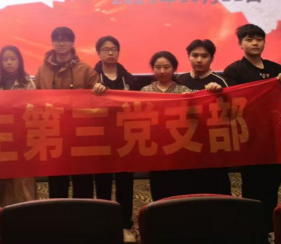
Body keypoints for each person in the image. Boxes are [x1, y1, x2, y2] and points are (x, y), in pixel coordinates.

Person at [223, 24, 281, 235]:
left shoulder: (277, 69)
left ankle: (271, 227)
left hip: (275, 137)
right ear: (240, 44)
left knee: (273, 182)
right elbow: (232, 102)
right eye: (249, 39)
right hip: (251, 138)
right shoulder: (233, 70)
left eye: (259, 39)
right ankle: (253, 229)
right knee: (252, 184)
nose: (255, 43)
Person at [35, 27, 98, 200]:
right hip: (53, 133)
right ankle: (58, 214)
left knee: (82, 180)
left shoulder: (85, 70)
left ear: (72, 43)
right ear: (52, 42)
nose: (61, 43)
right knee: (57, 181)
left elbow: (97, 101)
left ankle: (82, 213)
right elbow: (35, 100)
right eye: (57, 39)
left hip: (80, 135)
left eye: (65, 39)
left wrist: (100, 89)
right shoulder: (42, 71)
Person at [90, 36, 136, 242]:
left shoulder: (129, 79)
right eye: (105, 49)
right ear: (98, 53)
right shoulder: (91, 78)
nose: (110, 53)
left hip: (126, 136)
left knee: (125, 181)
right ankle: (105, 223)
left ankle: (126, 224)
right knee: (103, 182)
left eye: (114, 49)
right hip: (101, 137)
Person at [174, 39, 232, 197]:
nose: (199, 60)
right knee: (187, 187)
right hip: (186, 141)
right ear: (188, 57)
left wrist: (219, 94)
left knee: (215, 187)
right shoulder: (179, 79)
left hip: (211, 144)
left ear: (212, 58)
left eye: (204, 56)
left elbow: (230, 112)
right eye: (195, 55)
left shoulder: (220, 81)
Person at [141, 51, 191, 202]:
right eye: (158, 67)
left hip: (178, 145)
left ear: (174, 68)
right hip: (156, 147)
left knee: (179, 186)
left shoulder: (183, 91)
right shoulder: (145, 91)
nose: (162, 71)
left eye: (166, 67)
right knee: (158, 185)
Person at [0, 45, 37, 209]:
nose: (9, 63)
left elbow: (34, 110)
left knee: (24, 183)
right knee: (4, 184)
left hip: (22, 139)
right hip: (2, 140)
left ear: (19, 61)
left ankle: (27, 219)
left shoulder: (28, 83)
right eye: (5, 60)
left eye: (13, 59)